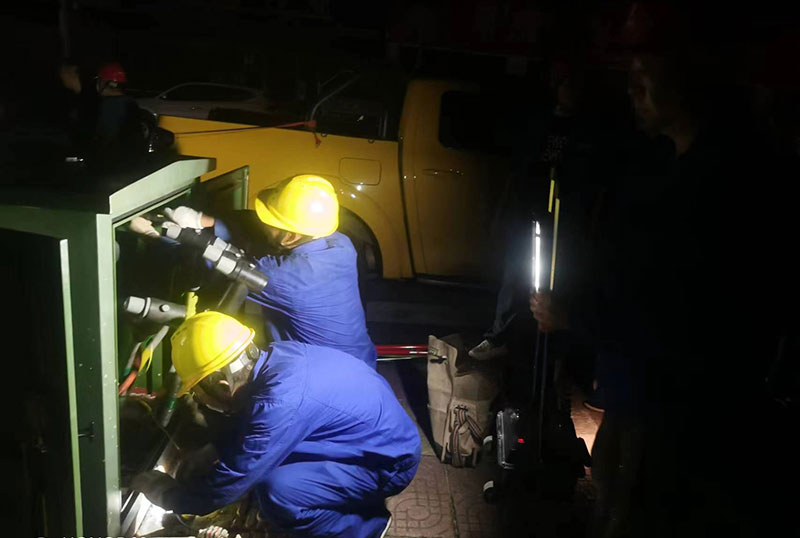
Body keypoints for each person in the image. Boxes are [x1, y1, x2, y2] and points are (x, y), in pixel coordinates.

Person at [531, 38, 793, 537]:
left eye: (645, 69)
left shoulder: (720, 184)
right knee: (611, 491)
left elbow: (675, 315)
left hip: (668, 408)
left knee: (633, 512)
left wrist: (572, 317)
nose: (632, 86)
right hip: (634, 393)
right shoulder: (666, 165)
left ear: (689, 77)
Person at [132, 311, 420, 538]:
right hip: (375, 439)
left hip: (389, 464)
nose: (198, 399)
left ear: (222, 385)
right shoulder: (276, 356)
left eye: (197, 392)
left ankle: (363, 528)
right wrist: (215, 449)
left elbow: (225, 486)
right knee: (262, 465)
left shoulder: (279, 403)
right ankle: (342, 496)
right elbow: (253, 425)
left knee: (279, 493)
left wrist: (166, 494)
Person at [164, 175, 378, 368]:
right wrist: (203, 220)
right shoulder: (339, 242)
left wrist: (174, 235)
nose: (263, 224)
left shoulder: (289, 278)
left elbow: (230, 265)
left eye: (270, 222)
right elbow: (255, 226)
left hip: (326, 376)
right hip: (360, 359)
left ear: (291, 236)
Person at [469, 56, 591, 361]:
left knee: (561, 278)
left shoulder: (586, 128)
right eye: (565, 84)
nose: (570, 91)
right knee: (515, 272)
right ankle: (499, 337)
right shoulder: (540, 122)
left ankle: (558, 351)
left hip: (564, 218)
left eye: (575, 85)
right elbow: (519, 166)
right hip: (529, 210)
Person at [93, 62, 141, 148]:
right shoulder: (130, 101)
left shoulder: (110, 105)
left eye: (100, 80)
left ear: (105, 83)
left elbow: (108, 138)